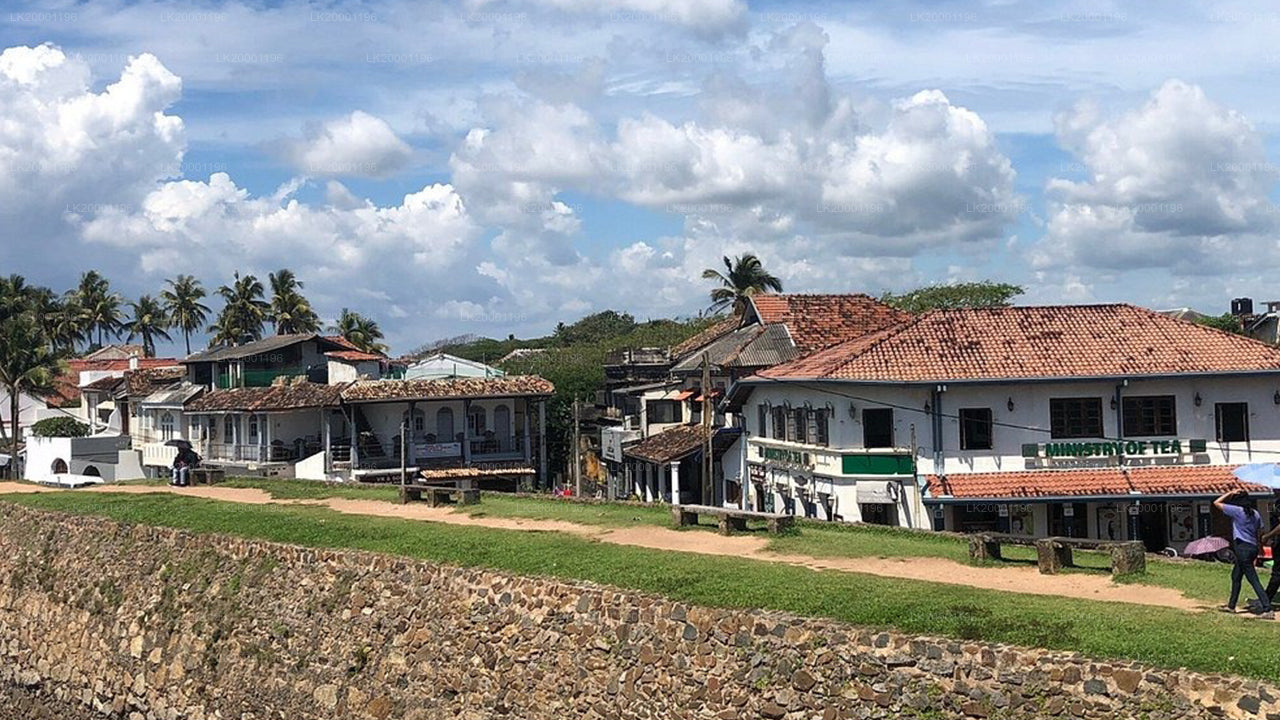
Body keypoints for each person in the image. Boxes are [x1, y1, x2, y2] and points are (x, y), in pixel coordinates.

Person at [1214, 489, 1273, 619]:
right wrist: (1260, 546)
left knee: (1253, 579)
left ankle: (1267, 608)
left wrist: (1229, 493)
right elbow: (1260, 531)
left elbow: (1216, 502)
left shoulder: (1237, 511)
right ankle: (1231, 605)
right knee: (1236, 576)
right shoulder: (1255, 514)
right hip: (1252, 547)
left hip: (1242, 548)